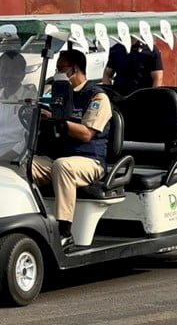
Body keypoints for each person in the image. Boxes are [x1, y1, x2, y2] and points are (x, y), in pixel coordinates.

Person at [33, 49, 112, 247]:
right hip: (57, 157)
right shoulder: (56, 93)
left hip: (89, 160)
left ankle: (64, 230)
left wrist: (60, 122)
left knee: (63, 166)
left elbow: (87, 133)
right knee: (23, 165)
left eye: (62, 69)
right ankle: (25, 221)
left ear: (74, 70)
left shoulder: (96, 97)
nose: (58, 73)